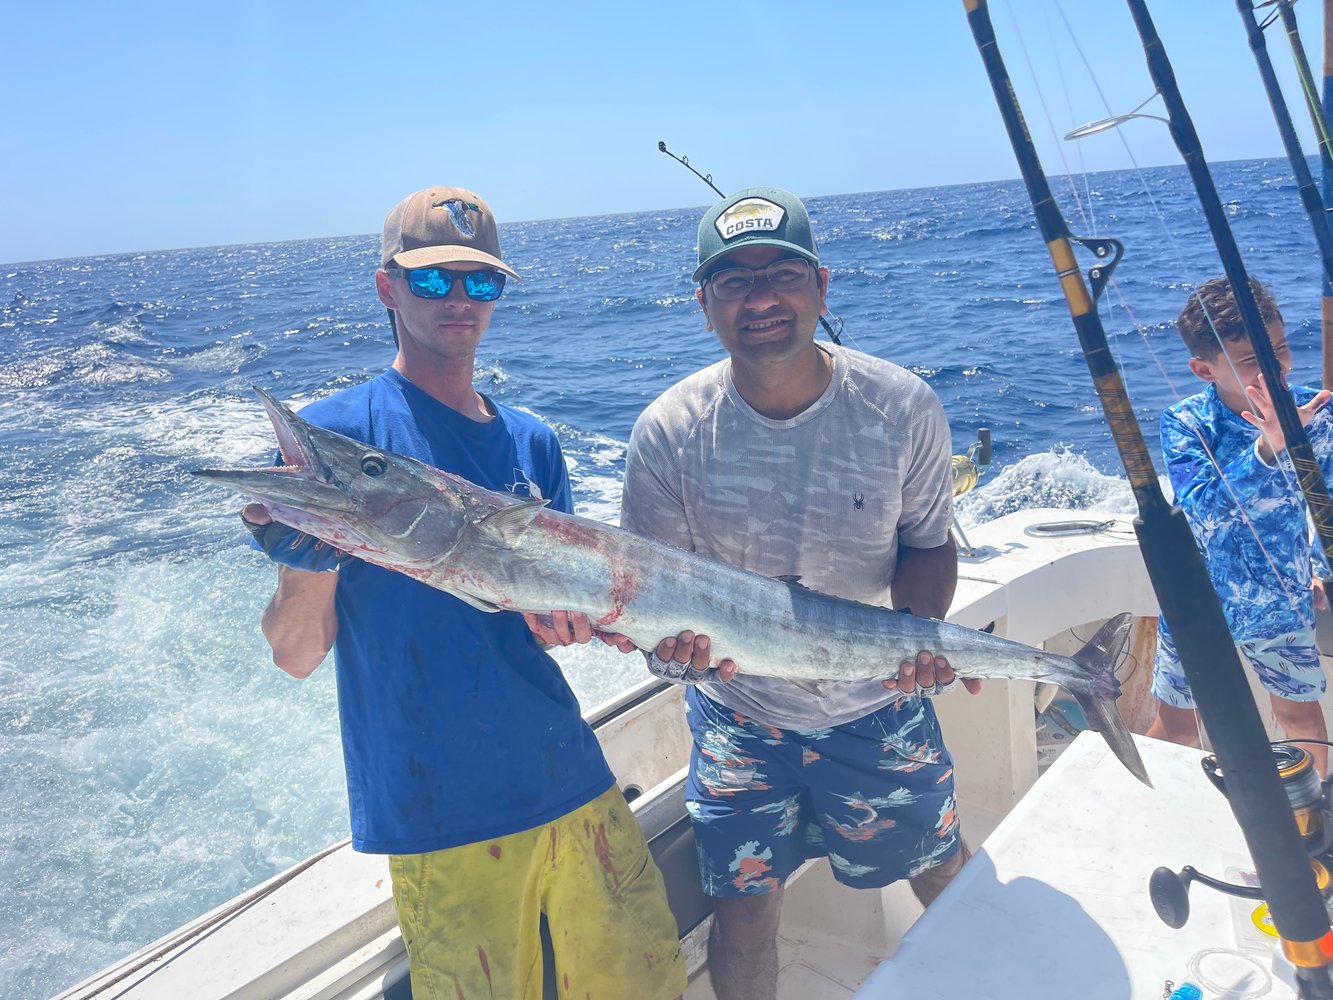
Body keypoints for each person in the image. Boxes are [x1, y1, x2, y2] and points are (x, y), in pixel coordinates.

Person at [242, 186, 686, 1000]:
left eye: (480, 283)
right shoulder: (339, 434)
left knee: (645, 980)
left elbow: (562, 619)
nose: (458, 301)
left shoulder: (531, 441)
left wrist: (579, 628)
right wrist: (312, 554)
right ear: (386, 288)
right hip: (436, 806)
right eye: (432, 279)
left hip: (566, 771)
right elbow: (296, 654)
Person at [617, 187, 973, 1000]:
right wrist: (669, 654)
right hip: (739, 717)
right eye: (734, 282)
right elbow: (658, 603)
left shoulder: (901, 405)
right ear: (703, 304)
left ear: (821, 287)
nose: (762, 298)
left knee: (939, 872)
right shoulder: (668, 431)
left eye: (781, 274)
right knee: (740, 917)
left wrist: (916, 639)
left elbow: (926, 545)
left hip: (878, 706)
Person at [1147, 274, 1332, 775]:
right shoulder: (1185, 423)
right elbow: (1202, 508)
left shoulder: (1318, 412)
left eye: (1280, 348)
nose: (1275, 367)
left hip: (1282, 601)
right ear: (1203, 369)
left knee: (1302, 721)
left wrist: (1321, 568)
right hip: (1196, 600)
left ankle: (1311, 821)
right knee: (1177, 722)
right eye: (1253, 360)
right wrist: (1267, 448)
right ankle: (1164, 814)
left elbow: (1329, 502)